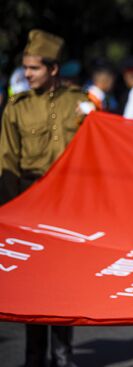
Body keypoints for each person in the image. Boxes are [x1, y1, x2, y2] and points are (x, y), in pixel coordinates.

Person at [0, 29, 91, 367]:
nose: (27, 74)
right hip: (30, 205)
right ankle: (34, 357)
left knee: (64, 283)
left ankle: (64, 355)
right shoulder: (16, 108)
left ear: (54, 69)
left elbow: (98, 152)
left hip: (69, 208)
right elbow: (7, 159)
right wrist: (12, 212)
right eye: (25, 68)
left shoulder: (79, 104)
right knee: (33, 287)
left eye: (34, 68)